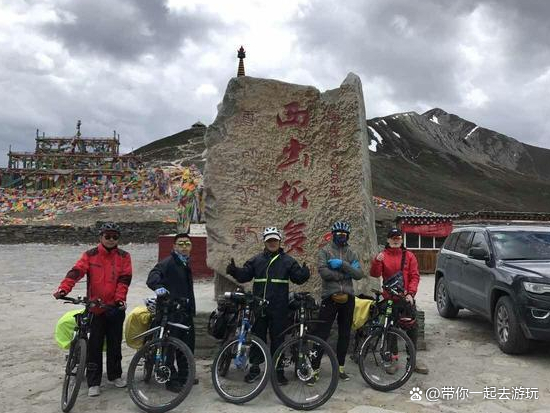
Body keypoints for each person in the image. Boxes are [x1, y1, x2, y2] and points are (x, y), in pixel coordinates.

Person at [53, 222, 132, 397]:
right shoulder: (90, 255)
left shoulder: (124, 256)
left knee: (115, 344)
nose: (111, 239)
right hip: (95, 308)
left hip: (115, 307)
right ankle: (93, 382)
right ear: (100, 237)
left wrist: (119, 300)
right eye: (107, 236)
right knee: (94, 345)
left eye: (114, 237)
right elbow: (76, 272)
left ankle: (115, 375)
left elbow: (124, 280)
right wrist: (64, 289)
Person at [226, 226, 310, 385]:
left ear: (280, 241)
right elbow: (245, 275)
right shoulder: (256, 260)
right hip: (259, 307)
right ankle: (255, 368)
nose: (272, 243)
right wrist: (234, 271)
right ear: (265, 242)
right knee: (257, 338)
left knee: (278, 339)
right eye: (269, 240)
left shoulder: (288, 261)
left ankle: (278, 371)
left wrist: (305, 273)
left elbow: (297, 278)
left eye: (275, 240)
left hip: (279, 307)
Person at [309, 221, 364, 384]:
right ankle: (314, 368)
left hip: (348, 298)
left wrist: (342, 264)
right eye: (339, 234)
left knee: (345, 334)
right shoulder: (324, 252)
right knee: (322, 333)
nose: (342, 237)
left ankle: (340, 367)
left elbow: (359, 274)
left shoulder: (351, 253)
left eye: (345, 234)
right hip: (329, 297)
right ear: (333, 235)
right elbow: (324, 273)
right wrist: (346, 274)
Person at [369, 227, 429, 374]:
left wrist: (411, 294)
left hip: (405, 298)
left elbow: (415, 276)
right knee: (390, 329)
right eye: (393, 238)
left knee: (412, 328)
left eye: (398, 238)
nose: (396, 240)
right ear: (388, 240)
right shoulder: (382, 255)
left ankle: (412, 360)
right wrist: (377, 261)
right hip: (390, 298)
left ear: (401, 240)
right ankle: (393, 359)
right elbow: (374, 274)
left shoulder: (409, 256)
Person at [147, 233, 198, 390]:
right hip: (171, 311)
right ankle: (171, 379)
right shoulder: (168, 262)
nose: (184, 247)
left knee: (186, 346)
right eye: (181, 244)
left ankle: (184, 375)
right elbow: (153, 276)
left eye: (187, 244)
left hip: (185, 311)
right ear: (174, 246)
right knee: (169, 347)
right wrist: (158, 287)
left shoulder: (184, 263)